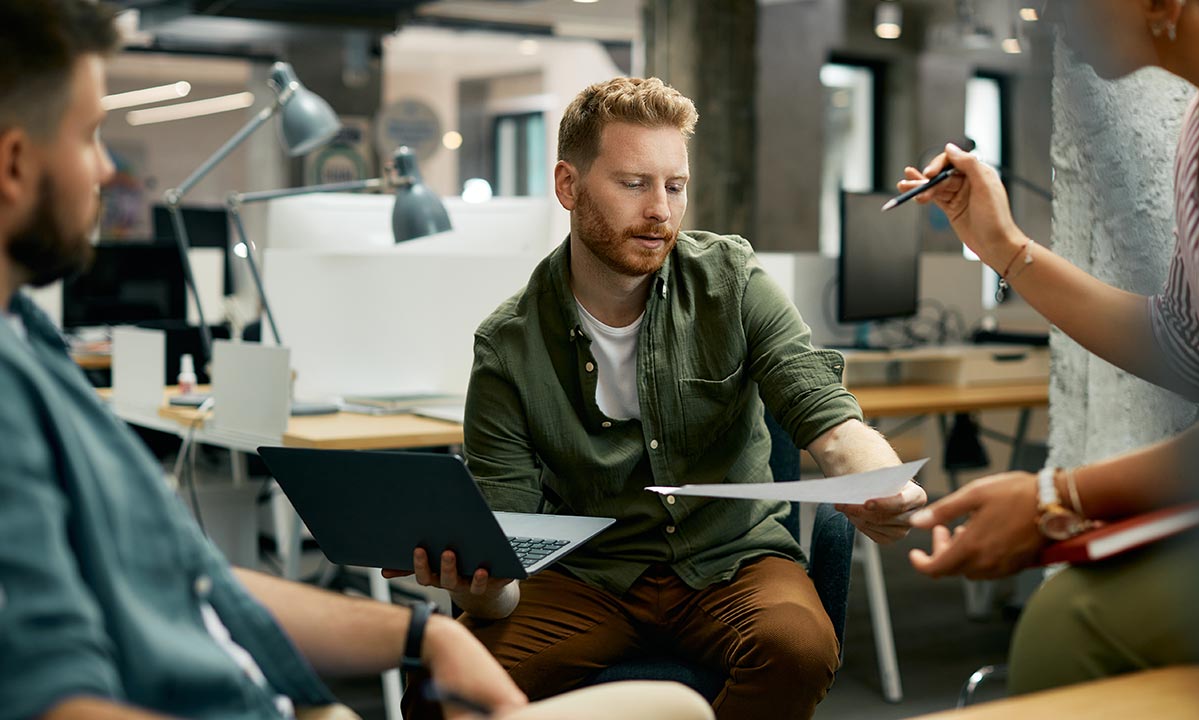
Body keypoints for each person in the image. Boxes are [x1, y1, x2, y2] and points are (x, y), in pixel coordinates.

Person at [0, 3, 713, 719]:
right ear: (13, 164)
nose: (104, 167)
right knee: (677, 712)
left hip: (289, 698)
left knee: (672, 705)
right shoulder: (9, 399)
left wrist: (422, 634)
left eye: (672, 186)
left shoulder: (29, 335)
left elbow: (195, 578)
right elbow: (55, 697)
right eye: (91, 134)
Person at [393, 76, 926, 720]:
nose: (661, 212)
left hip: (731, 559)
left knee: (798, 646)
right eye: (634, 183)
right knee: (446, 689)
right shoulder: (508, 347)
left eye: (675, 186)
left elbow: (828, 418)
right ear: (569, 186)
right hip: (588, 573)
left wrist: (880, 482)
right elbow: (500, 577)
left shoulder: (731, 282)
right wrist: (476, 592)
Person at [900, 0, 1199, 695]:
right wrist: (1002, 247)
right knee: (1065, 619)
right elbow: (1187, 348)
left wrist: (1054, 498)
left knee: (1071, 628)